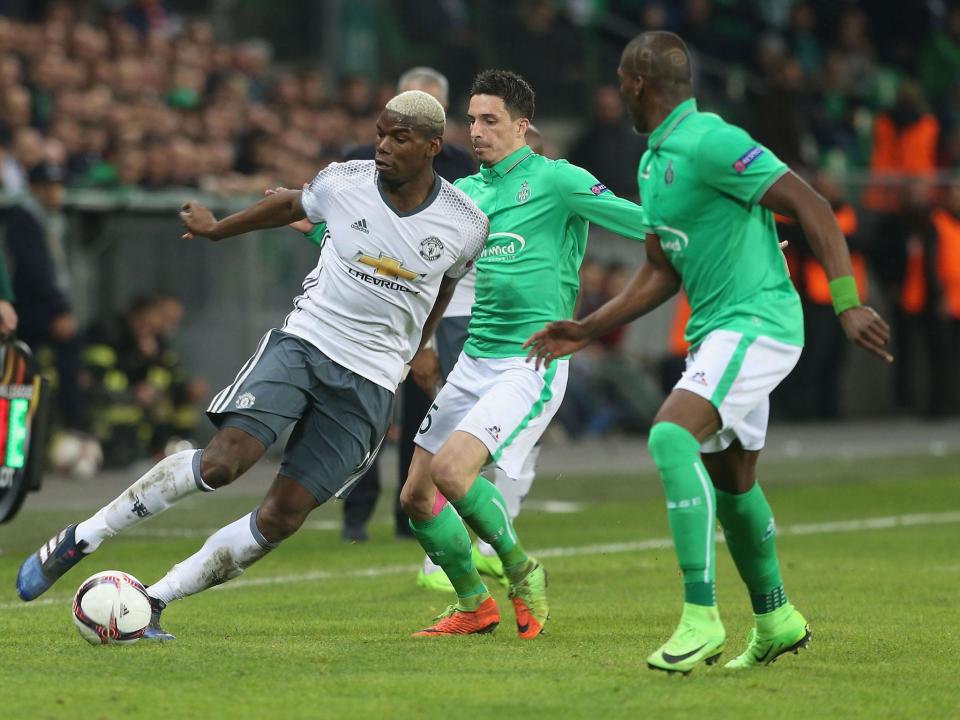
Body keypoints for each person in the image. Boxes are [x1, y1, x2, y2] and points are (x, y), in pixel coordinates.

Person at [16, 91, 489, 641]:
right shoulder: (345, 180)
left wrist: (417, 350)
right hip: (305, 342)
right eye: (381, 133)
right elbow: (292, 205)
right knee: (222, 463)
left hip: (372, 379)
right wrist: (218, 229)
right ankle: (84, 537)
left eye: (399, 138)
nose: (383, 146)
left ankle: (154, 602)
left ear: (433, 147)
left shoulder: (465, 223)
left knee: (283, 516)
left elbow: (445, 287)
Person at [524, 32, 892, 672]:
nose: (615, 89)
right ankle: (777, 617)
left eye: (619, 78)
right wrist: (586, 327)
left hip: (760, 322)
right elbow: (661, 269)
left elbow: (811, 205)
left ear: (638, 83)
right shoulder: (650, 162)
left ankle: (700, 616)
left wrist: (846, 300)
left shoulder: (713, 140)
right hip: (717, 332)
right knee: (735, 485)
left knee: (670, 437)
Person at [399, 70, 649, 638]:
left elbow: (642, 222)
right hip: (474, 359)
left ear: (522, 126)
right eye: (472, 120)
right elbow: (414, 254)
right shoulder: (468, 196)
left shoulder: (559, 181)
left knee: (452, 473)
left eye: (491, 120)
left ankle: (521, 570)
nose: (478, 131)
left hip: (529, 361)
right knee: (416, 498)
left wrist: (729, 242)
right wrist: (316, 225)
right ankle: (473, 604)